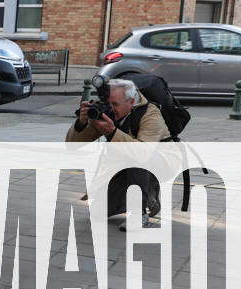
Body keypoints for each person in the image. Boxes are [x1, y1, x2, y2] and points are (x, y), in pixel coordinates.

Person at [65, 77, 168, 229]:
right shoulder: (110, 111)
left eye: (115, 104)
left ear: (131, 102)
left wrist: (112, 132)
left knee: (137, 157)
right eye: (109, 103)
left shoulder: (151, 115)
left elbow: (143, 153)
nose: (111, 108)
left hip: (160, 163)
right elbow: (72, 145)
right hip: (123, 166)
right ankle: (143, 196)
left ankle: (139, 212)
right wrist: (82, 123)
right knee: (97, 212)